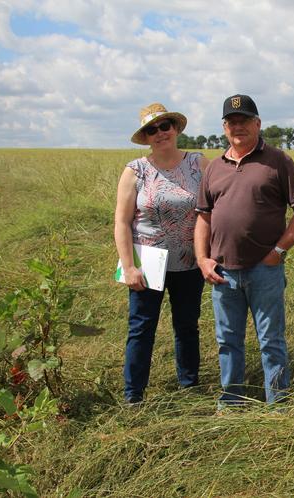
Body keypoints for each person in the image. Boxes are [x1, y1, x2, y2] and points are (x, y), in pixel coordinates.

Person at [194, 94, 294, 407]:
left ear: (258, 124)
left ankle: (278, 402)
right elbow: (203, 218)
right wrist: (202, 259)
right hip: (222, 273)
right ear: (224, 127)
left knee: (271, 341)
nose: (238, 127)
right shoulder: (214, 168)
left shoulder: (278, 161)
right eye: (232, 122)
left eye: (244, 121)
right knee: (227, 341)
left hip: (264, 270)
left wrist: (278, 251)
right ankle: (231, 401)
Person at [114, 102, 209, 404]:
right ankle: (134, 395)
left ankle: (190, 386)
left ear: (176, 128)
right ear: (146, 136)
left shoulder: (198, 163)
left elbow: (211, 211)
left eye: (164, 126)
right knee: (141, 328)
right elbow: (121, 221)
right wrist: (129, 267)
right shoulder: (135, 170)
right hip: (148, 263)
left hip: (190, 262)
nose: (160, 133)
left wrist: (208, 254)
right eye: (151, 130)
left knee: (187, 325)